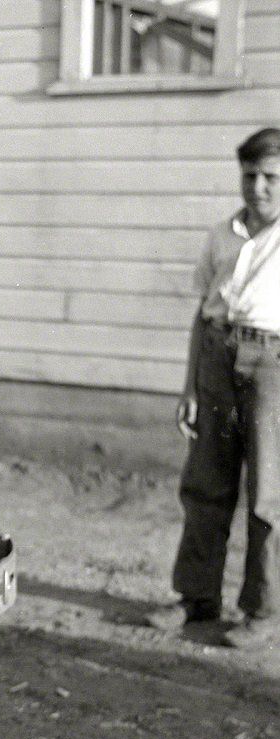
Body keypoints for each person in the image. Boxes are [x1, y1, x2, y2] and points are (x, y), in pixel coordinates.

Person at [150, 127, 280, 650]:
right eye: (250, 176)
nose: (259, 188)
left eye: (271, 177)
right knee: (205, 485)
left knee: (268, 496)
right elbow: (202, 316)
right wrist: (190, 388)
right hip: (217, 357)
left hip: (272, 365)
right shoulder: (222, 234)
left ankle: (262, 612)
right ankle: (197, 598)